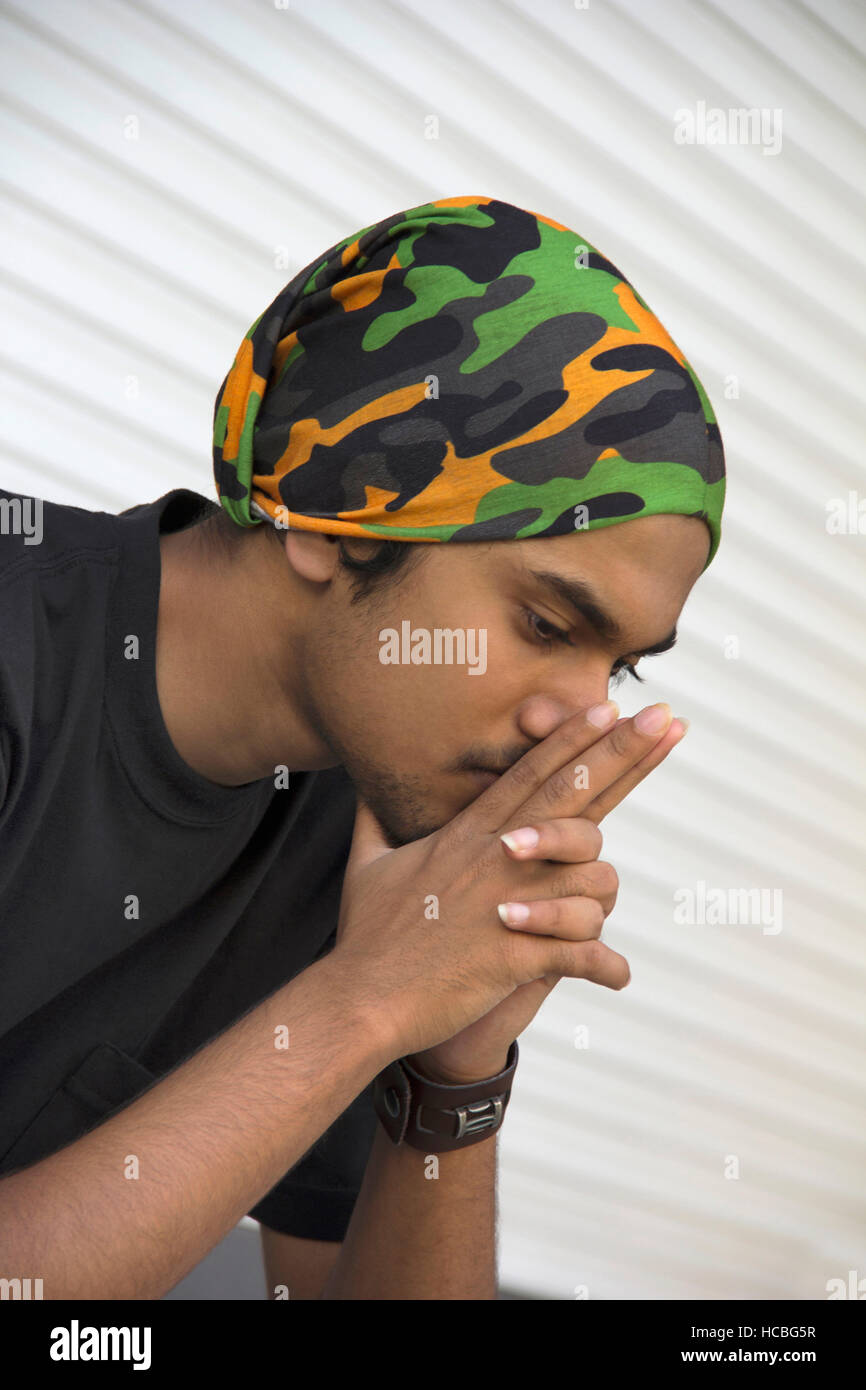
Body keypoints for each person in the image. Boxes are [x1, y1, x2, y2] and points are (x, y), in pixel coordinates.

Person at [0, 195, 725, 1300]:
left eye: (619, 667)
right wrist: (364, 1000)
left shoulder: (368, 841)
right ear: (334, 511)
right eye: (544, 624)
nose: (580, 723)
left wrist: (452, 1069)